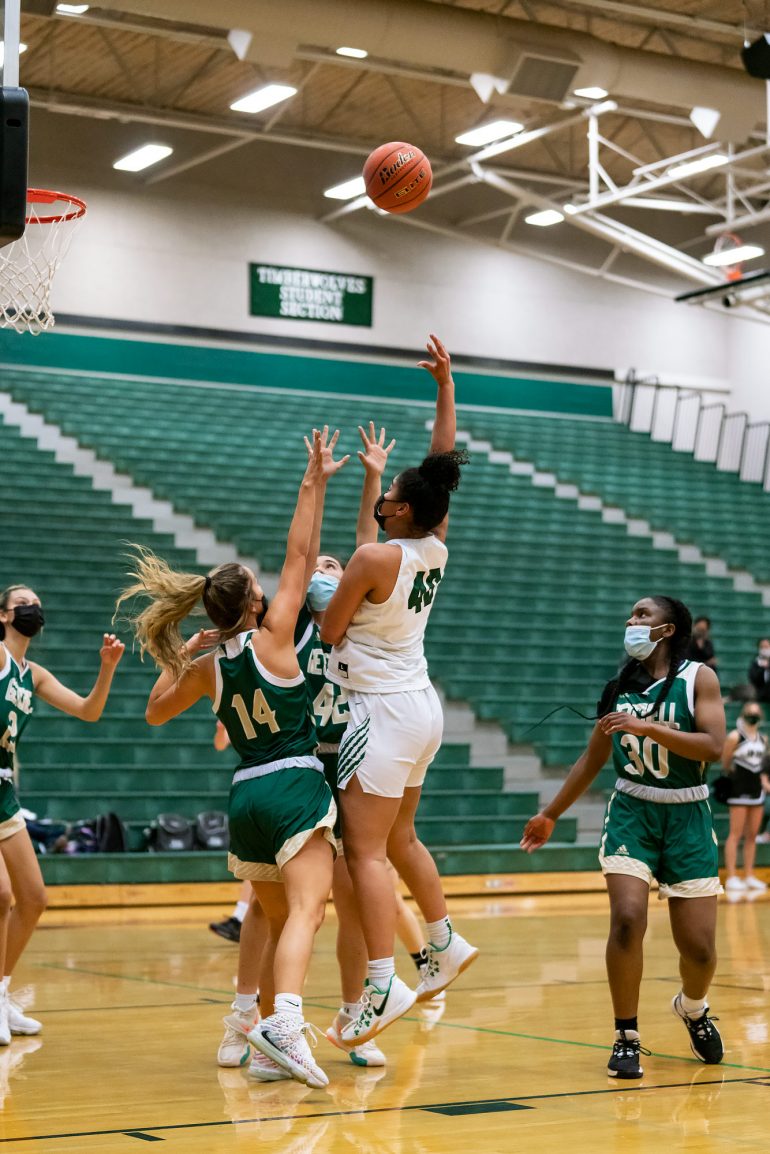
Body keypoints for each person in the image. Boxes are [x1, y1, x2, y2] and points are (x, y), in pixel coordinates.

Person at [118, 428, 347, 1088]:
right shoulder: (276, 636)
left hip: (245, 794)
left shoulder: (211, 663)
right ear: (252, 602)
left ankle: (265, 1038)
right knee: (309, 911)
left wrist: (190, 652)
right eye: (257, 583)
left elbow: (155, 711)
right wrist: (316, 478)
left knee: (275, 918)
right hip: (294, 784)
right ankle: (285, 1024)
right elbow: (302, 550)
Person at [321, 335, 478, 1047]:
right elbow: (441, 471)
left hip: (378, 712)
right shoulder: (431, 542)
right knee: (404, 837)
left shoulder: (371, 556)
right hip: (422, 708)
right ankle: (442, 940)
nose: (384, 497)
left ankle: (383, 982)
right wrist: (446, 386)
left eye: (388, 494)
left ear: (404, 511)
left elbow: (328, 633)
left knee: (366, 853)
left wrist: (327, 593)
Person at [521, 596, 726, 1080]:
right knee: (628, 920)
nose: (631, 621)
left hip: (688, 813)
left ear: (669, 629)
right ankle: (626, 1036)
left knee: (698, 950)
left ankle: (693, 1007)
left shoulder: (700, 678)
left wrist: (648, 727)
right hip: (633, 810)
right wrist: (550, 813)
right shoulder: (619, 688)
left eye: (642, 615)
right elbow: (592, 760)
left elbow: (714, 748)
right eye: (630, 615)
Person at [0, 584, 125, 1041]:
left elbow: (89, 711)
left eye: (36, 603)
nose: (33, 609)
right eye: (22, 604)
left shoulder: (32, 674)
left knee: (33, 898)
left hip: (3, 792)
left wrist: (106, 669)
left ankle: (2, 992)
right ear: (3, 616)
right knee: (1, 895)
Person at [722, 703, 768, 894]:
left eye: (756, 713)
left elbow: (764, 765)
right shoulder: (734, 736)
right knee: (735, 834)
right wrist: (732, 774)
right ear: (743, 714)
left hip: (757, 789)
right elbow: (725, 761)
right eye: (750, 712)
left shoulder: (763, 739)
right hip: (739, 788)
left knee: (752, 835)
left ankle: (749, 875)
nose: (753, 715)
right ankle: (732, 876)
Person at [748, 638, 770, 704]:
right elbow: (753, 679)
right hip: (761, 693)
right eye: (762, 647)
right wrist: (762, 668)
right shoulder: (755, 663)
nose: (764, 649)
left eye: (766, 646)